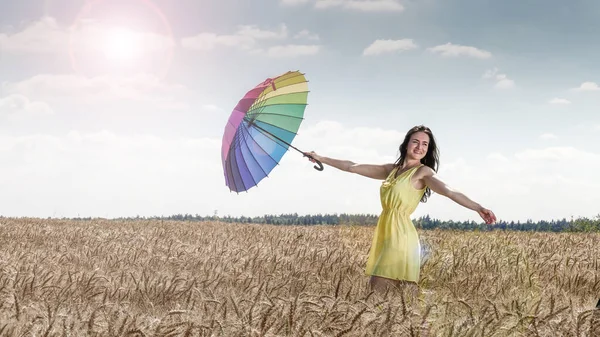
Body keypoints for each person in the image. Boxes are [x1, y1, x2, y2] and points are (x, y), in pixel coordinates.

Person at [305, 125, 496, 296]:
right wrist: (320, 157)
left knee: (378, 291)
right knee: (400, 295)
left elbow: (449, 191)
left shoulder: (423, 172)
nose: (420, 147)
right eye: (415, 142)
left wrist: (478, 207)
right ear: (406, 144)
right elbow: (352, 167)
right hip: (386, 232)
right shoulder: (391, 170)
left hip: (401, 235)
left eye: (424, 144)